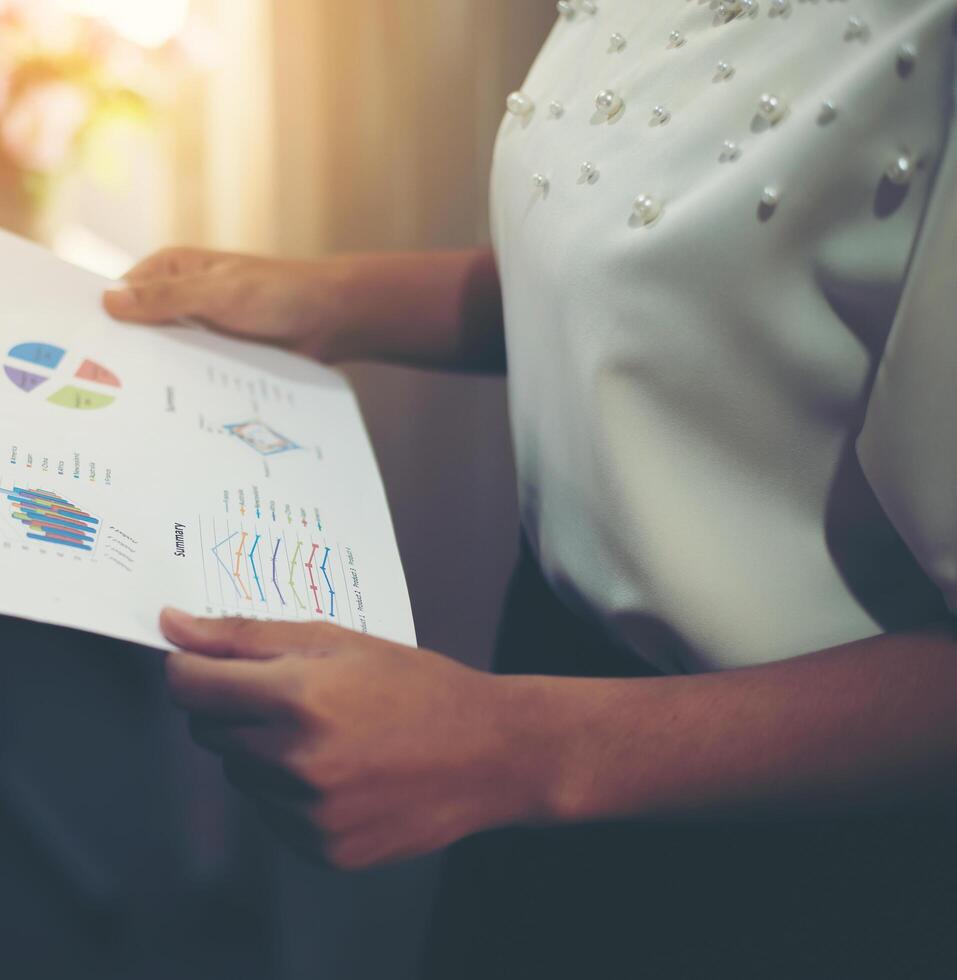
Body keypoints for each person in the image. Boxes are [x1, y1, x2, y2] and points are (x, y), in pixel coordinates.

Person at [103, 2, 957, 977]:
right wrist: (330, 298)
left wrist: (516, 744)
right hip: (548, 676)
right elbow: (676, 293)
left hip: (790, 817)